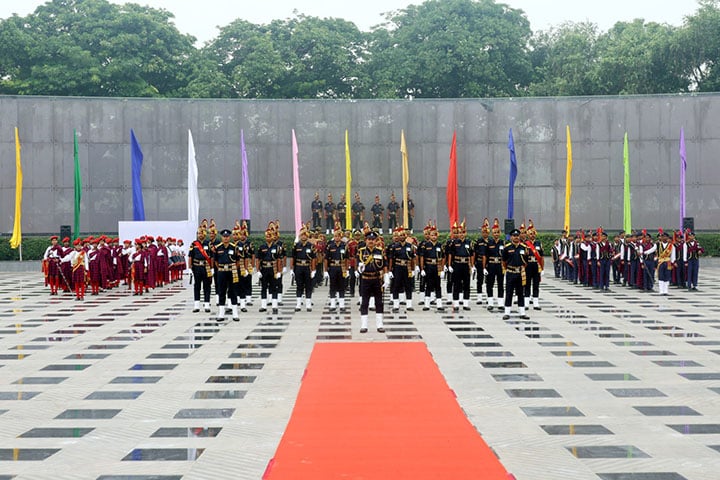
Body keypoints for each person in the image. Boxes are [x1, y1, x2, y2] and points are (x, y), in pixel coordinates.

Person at [356, 230, 387, 333]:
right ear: (366, 240)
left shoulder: (380, 251)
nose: (371, 241)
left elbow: (384, 265)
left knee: (379, 302)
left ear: (376, 241)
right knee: (364, 302)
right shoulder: (361, 251)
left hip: (377, 280)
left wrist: (386, 276)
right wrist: (359, 268)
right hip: (366, 279)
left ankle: (380, 325)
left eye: (373, 239)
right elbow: (358, 264)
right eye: (369, 239)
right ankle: (364, 325)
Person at [387, 225, 417, 312]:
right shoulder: (395, 247)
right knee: (396, 285)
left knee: (408, 286)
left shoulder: (410, 246)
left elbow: (413, 258)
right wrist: (390, 270)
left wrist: (413, 269)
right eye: (400, 235)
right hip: (397, 267)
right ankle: (396, 305)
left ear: (406, 236)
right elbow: (391, 259)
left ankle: (409, 305)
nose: (402, 237)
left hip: (407, 267)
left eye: (403, 235)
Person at [502, 229, 529, 320]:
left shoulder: (524, 247)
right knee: (509, 292)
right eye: (514, 236)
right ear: (511, 237)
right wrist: (509, 269)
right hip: (510, 273)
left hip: (520, 273)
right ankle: (507, 313)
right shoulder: (507, 248)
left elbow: (526, 261)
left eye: (517, 236)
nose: (516, 237)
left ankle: (522, 313)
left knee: (521, 293)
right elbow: (504, 261)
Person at [256, 222, 283, 314]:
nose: (268, 238)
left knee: (274, 286)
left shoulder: (277, 247)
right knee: (264, 287)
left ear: (272, 237)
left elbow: (279, 260)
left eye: (270, 236)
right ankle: (263, 306)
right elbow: (258, 259)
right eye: (267, 236)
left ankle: (274, 305)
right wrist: (258, 270)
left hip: (273, 268)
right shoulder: (262, 247)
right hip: (264, 268)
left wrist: (279, 271)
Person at [213, 229, 239, 322]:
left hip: (232, 271)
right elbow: (216, 261)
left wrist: (232, 268)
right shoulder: (217, 248)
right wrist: (222, 268)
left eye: (227, 236)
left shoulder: (234, 247)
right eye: (224, 237)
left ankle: (235, 314)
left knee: (233, 291)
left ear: (230, 237)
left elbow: (238, 261)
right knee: (222, 291)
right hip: (221, 272)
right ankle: (221, 314)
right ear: (221, 237)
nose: (225, 238)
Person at [447, 221, 474, 311]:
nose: (461, 234)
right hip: (457, 264)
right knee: (456, 284)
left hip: (466, 265)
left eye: (463, 232)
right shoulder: (454, 243)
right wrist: (449, 265)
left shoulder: (469, 242)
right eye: (460, 233)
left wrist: (472, 266)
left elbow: (471, 254)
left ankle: (465, 303)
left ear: (465, 233)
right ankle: (456, 304)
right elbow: (450, 254)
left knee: (466, 284)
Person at [418, 221, 445, 311]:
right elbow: (422, 257)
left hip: (437, 266)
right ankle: (427, 304)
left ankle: (439, 304)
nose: (434, 237)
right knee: (428, 285)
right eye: (432, 235)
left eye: (435, 235)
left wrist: (442, 269)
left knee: (438, 285)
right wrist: (422, 269)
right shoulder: (426, 245)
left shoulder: (440, 245)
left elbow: (443, 257)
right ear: (429, 236)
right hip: (429, 266)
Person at [188, 220, 213, 313]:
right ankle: (196, 305)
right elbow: (190, 257)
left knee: (207, 286)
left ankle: (207, 305)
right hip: (197, 267)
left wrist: (212, 268)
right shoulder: (194, 244)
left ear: (204, 234)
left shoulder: (208, 244)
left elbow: (212, 256)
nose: (200, 235)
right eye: (198, 233)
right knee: (197, 286)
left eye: (201, 233)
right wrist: (190, 268)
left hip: (206, 267)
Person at [324, 222, 349, 312]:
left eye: (338, 236)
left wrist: (347, 269)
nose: (337, 238)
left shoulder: (344, 246)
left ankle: (342, 305)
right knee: (333, 286)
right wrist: (325, 271)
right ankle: (333, 304)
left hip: (341, 267)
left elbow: (346, 258)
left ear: (340, 237)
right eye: (335, 236)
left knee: (342, 286)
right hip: (333, 267)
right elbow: (326, 259)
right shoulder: (330, 246)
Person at [292, 223, 316, 312]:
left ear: (307, 236)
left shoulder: (311, 246)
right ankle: (298, 304)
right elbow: (293, 258)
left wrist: (313, 270)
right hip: (298, 267)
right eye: (302, 235)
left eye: (305, 235)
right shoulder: (296, 245)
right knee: (299, 285)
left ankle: (308, 304)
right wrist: (292, 269)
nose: (303, 237)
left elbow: (313, 259)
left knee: (308, 286)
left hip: (307, 267)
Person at [484, 219, 504, 312]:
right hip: (491, 265)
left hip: (500, 265)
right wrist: (484, 267)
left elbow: (506, 256)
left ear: (500, 233)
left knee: (500, 284)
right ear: (492, 234)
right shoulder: (489, 243)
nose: (496, 234)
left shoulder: (503, 243)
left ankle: (500, 303)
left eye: (497, 232)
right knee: (490, 284)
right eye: (494, 233)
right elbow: (485, 256)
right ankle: (490, 303)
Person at [523, 220, 544, 309]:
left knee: (536, 285)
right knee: (527, 284)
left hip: (536, 266)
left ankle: (536, 303)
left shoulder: (538, 243)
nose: (532, 235)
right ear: (528, 234)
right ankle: (526, 303)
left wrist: (542, 269)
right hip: (528, 266)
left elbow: (541, 257)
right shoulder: (525, 244)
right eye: (531, 234)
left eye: (534, 234)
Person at [235, 221, 254, 312]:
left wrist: (252, 265)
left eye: (243, 235)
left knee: (248, 281)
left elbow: (252, 254)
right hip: (239, 263)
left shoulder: (249, 243)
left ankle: (248, 298)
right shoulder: (237, 244)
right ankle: (239, 298)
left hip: (248, 263)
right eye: (241, 235)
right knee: (239, 282)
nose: (242, 236)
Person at [474, 219, 490, 305]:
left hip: (489, 263)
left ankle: (488, 297)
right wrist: (473, 264)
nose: (485, 234)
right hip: (480, 262)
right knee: (479, 280)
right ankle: (479, 297)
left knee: (489, 281)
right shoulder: (478, 241)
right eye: (483, 232)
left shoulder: (491, 241)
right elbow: (474, 253)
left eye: (486, 232)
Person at [655, 229, 675, 296]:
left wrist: (672, 263)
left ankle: (665, 291)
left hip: (668, 262)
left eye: (666, 236)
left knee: (667, 276)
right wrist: (644, 253)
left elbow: (673, 255)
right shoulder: (658, 244)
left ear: (668, 238)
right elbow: (652, 250)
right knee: (661, 276)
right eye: (663, 236)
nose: (664, 238)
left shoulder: (671, 246)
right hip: (660, 262)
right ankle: (661, 291)